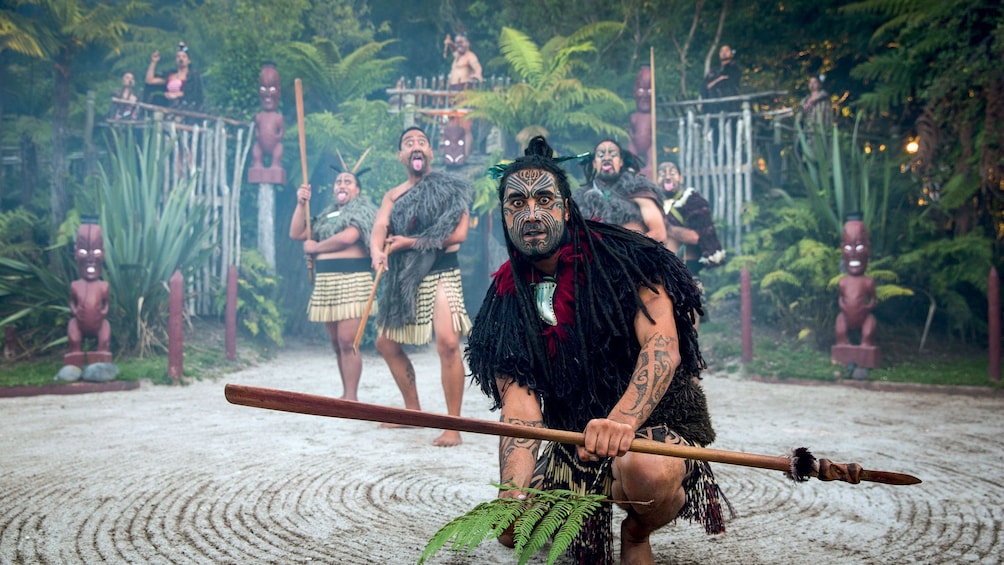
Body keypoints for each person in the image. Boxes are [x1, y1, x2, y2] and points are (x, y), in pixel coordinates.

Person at [467, 136, 731, 564]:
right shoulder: (506, 296)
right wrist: (512, 492)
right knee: (511, 528)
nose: (531, 214)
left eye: (544, 200)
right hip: (576, 439)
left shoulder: (625, 258)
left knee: (642, 471)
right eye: (516, 203)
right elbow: (520, 404)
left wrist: (621, 421)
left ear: (567, 209)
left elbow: (663, 347)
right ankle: (579, 498)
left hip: (657, 423)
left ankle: (637, 529)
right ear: (504, 215)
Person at [369, 126, 472, 447]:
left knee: (448, 344)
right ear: (401, 156)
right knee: (385, 343)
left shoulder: (449, 187)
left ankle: (452, 426)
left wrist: (407, 243)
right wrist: (376, 251)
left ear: (430, 153)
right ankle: (412, 410)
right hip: (406, 276)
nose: (416, 146)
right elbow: (380, 226)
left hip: (441, 271)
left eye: (422, 142)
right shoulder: (394, 194)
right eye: (408, 143)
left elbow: (458, 234)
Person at [289, 168, 377, 400]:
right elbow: (297, 232)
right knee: (337, 343)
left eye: (348, 182)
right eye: (338, 181)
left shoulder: (363, 211)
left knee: (349, 341)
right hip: (326, 283)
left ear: (357, 190)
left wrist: (316, 248)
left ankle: (351, 397)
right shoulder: (327, 216)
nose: (341, 185)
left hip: (352, 280)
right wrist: (301, 204)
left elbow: (349, 237)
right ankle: (346, 394)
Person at [574, 139, 667, 244]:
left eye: (613, 154)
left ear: (621, 162)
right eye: (600, 155)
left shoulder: (638, 189)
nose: (607, 157)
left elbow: (659, 233)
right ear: (595, 163)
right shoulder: (582, 199)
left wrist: (625, 246)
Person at [658, 161, 726, 273]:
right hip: (660, 269)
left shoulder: (693, 202)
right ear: (656, 180)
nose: (668, 177)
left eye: (673, 173)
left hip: (687, 269)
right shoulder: (653, 204)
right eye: (662, 174)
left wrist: (666, 227)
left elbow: (696, 237)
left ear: (680, 178)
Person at [145, 41, 204, 110]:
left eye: (184, 56)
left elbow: (194, 93)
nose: (181, 59)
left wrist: (176, 95)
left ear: (189, 60)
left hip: (185, 108)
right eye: (178, 56)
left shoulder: (193, 77)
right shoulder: (170, 75)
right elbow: (149, 81)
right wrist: (153, 62)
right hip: (168, 106)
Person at [627, 66, 654, 179]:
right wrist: (631, 134)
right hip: (635, 143)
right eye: (641, 90)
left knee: (652, 151)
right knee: (630, 150)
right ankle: (632, 167)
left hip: (649, 145)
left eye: (650, 90)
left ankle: (650, 165)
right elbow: (630, 130)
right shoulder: (634, 116)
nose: (645, 94)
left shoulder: (652, 117)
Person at [700, 44, 741, 114]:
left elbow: (729, 82)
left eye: (727, 50)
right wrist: (718, 79)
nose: (724, 53)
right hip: (712, 107)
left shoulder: (734, 68)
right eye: (722, 51)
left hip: (729, 106)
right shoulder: (713, 71)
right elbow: (704, 87)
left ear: (731, 54)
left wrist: (714, 83)